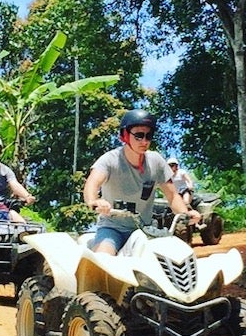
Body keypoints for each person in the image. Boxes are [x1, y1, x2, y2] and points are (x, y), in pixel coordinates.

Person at [84, 109, 199, 255]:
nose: (144, 141)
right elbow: (91, 185)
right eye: (138, 136)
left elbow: (173, 196)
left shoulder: (156, 161)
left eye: (148, 136)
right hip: (112, 229)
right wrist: (95, 201)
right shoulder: (110, 160)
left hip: (144, 230)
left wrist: (186, 214)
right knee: (104, 260)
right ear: (125, 135)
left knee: (170, 259)